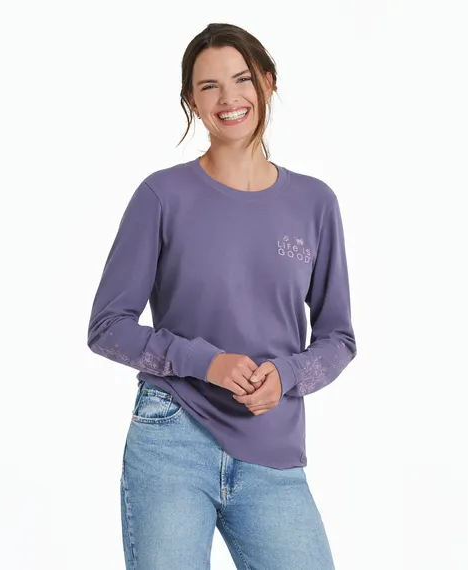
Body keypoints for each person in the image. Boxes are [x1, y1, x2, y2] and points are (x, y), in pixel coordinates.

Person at [87, 22, 357, 570]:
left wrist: (286, 374)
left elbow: (338, 338)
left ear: (268, 82)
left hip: (273, 448)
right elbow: (108, 327)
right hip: (172, 436)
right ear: (192, 101)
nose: (228, 98)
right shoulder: (162, 195)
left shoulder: (315, 203)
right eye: (208, 86)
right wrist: (205, 362)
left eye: (242, 79)